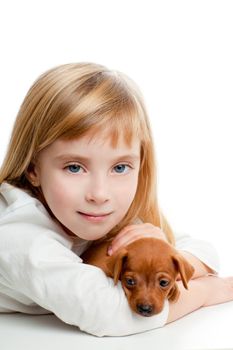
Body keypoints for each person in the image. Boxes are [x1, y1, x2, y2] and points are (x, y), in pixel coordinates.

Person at [0, 62, 232, 337]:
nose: (99, 194)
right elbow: (106, 313)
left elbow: (204, 251)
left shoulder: (100, 216)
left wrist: (165, 256)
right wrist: (210, 291)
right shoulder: (19, 237)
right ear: (33, 169)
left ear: (140, 166)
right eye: (74, 167)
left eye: (120, 167)